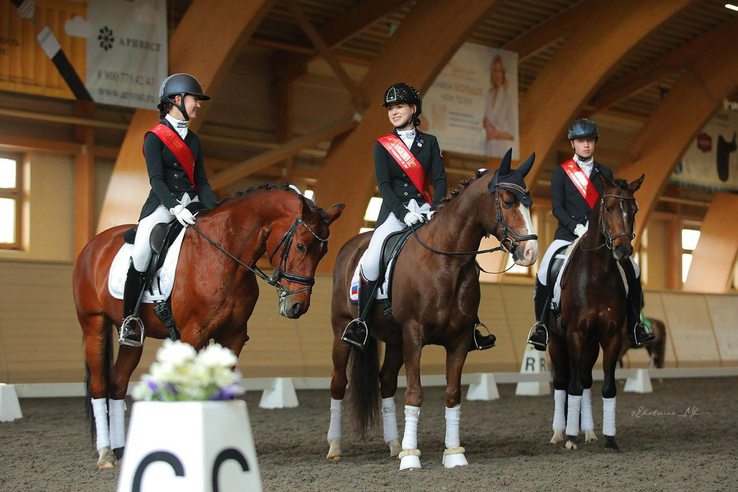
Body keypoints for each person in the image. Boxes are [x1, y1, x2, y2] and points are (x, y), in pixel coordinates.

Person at [341, 83, 496, 351]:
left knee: (460, 256)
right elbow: (385, 186)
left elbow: (439, 179)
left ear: (413, 109)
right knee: (372, 259)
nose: (394, 112)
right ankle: (362, 323)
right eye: (390, 108)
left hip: (426, 210)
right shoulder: (383, 145)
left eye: (399, 106)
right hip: (394, 213)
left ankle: (471, 325)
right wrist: (403, 213)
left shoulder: (430, 142)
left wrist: (435, 209)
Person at [527, 118, 655, 351]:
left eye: (589, 141)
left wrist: (599, 229)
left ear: (595, 143)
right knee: (545, 269)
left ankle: (636, 325)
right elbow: (557, 207)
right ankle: (541, 326)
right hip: (568, 234)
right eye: (580, 141)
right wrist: (576, 227)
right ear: (572, 144)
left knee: (633, 270)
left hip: (600, 238)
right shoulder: (561, 173)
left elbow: (612, 206)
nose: (585, 145)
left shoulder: (605, 173)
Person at [118, 73, 218, 347]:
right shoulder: (154, 137)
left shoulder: (194, 140)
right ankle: (130, 320)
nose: (198, 104)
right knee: (140, 252)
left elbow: (201, 181)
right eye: (194, 99)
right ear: (177, 99)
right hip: (164, 205)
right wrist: (174, 207)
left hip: (193, 205)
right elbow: (156, 180)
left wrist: (216, 211)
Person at [483, 55, 515, 158]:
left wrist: (497, 134)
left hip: (499, 148)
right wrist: (486, 121)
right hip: (488, 145)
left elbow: (511, 133)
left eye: (500, 71)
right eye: (495, 71)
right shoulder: (489, 94)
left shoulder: (507, 99)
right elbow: (485, 120)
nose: (497, 74)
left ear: (503, 74)